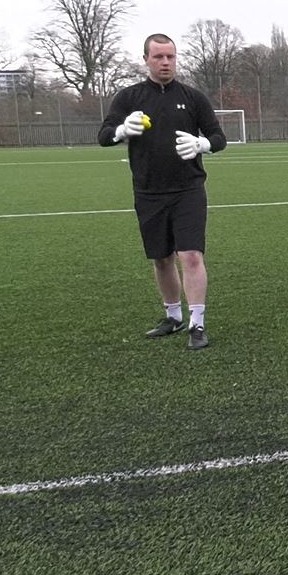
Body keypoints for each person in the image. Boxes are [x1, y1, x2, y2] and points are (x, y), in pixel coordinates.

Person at [99, 34, 228, 350]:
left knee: (191, 256)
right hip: (148, 191)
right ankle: (173, 317)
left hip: (188, 189)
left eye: (170, 56)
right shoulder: (129, 98)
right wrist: (120, 132)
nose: (165, 62)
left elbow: (218, 136)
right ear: (145, 59)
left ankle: (197, 324)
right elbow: (103, 136)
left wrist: (203, 144)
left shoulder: (193, 97)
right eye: (158, 57)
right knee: (161, 259)